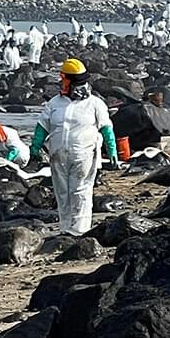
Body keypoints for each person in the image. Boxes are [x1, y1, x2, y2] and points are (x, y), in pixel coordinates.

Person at [30, 58, 118, 236]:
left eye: (64, 80)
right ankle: (66, 227)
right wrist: (35, 146)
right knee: (62, 193)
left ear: (70, 81)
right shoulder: (55, 103)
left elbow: (106, 127)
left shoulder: (94, 104)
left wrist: (112, 149)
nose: (61, 83)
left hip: (84, 154)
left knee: (81, 191)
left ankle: (80, 230)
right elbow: (43, 126)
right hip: (58, 156)